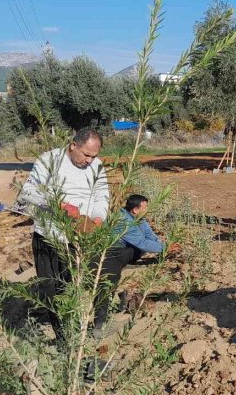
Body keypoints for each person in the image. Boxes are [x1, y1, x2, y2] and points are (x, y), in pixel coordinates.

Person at [18, 127, 109, 338]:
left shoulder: (97, 166)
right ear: (73, 145)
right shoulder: (49, 160)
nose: (89, 161)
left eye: (93, 156)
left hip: (79, 240)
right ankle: (62, 336)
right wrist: (59, 204)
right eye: (86, 154)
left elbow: (101, 196)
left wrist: (96, 220)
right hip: (49, 236)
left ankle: (76, 330)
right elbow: (28, 192)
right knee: (51, 288)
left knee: (73, 287)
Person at [93, 194, 165, 334]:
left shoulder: (139, 219)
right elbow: (143, 243)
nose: (147, 209)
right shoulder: (124, 221)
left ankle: (104, 320)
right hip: (109, 254)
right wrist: (165, 248)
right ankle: (99, 326)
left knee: (138, 248)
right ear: (135, 210)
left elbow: (150, 236)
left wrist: (163, 246)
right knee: (107, 284)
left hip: (122, 251)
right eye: (145, 207)